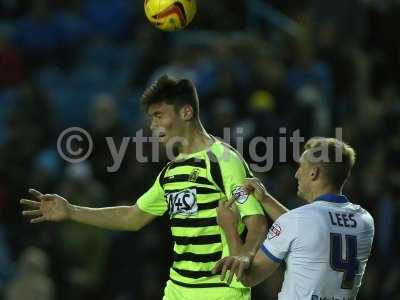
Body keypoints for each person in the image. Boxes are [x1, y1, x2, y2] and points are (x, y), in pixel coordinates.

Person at [20, 75, 266, 300]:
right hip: (178, 289)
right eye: (151, 118)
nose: (152, 126)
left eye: (159, 116)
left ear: (186, 112)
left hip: (220, 292)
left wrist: (245, 255)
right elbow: (132, 217)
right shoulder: (171, 172)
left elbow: (256, 220)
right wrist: (72, 211)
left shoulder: (224, 161)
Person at [213, 137, 375, 300]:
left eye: (301, 167)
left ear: (314, 172)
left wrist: (230, 228)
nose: (297, 174)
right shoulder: (365, 221)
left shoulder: (298, 221)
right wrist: (266, 199)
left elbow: (248, 278)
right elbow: (308, 231)